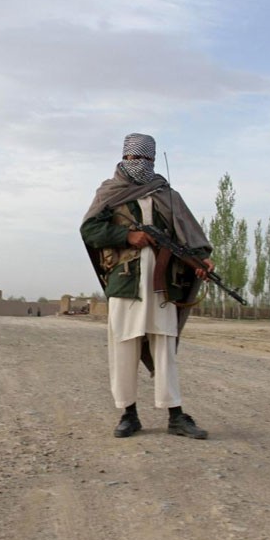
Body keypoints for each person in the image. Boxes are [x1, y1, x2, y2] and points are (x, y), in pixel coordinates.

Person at [81, 133, 212, 440]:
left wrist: (203, 260)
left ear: (153, 161)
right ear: (124, 158)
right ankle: (128, 414)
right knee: (124, 348)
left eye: (145, 159)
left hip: (162, 286)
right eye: (132, 158)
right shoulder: (109, 192)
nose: (138, 164)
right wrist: (126, 237)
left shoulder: (167, 195)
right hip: (125, 283)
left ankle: (175, 414)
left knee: (164, 347)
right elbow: (89, 229)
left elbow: (188, 234)